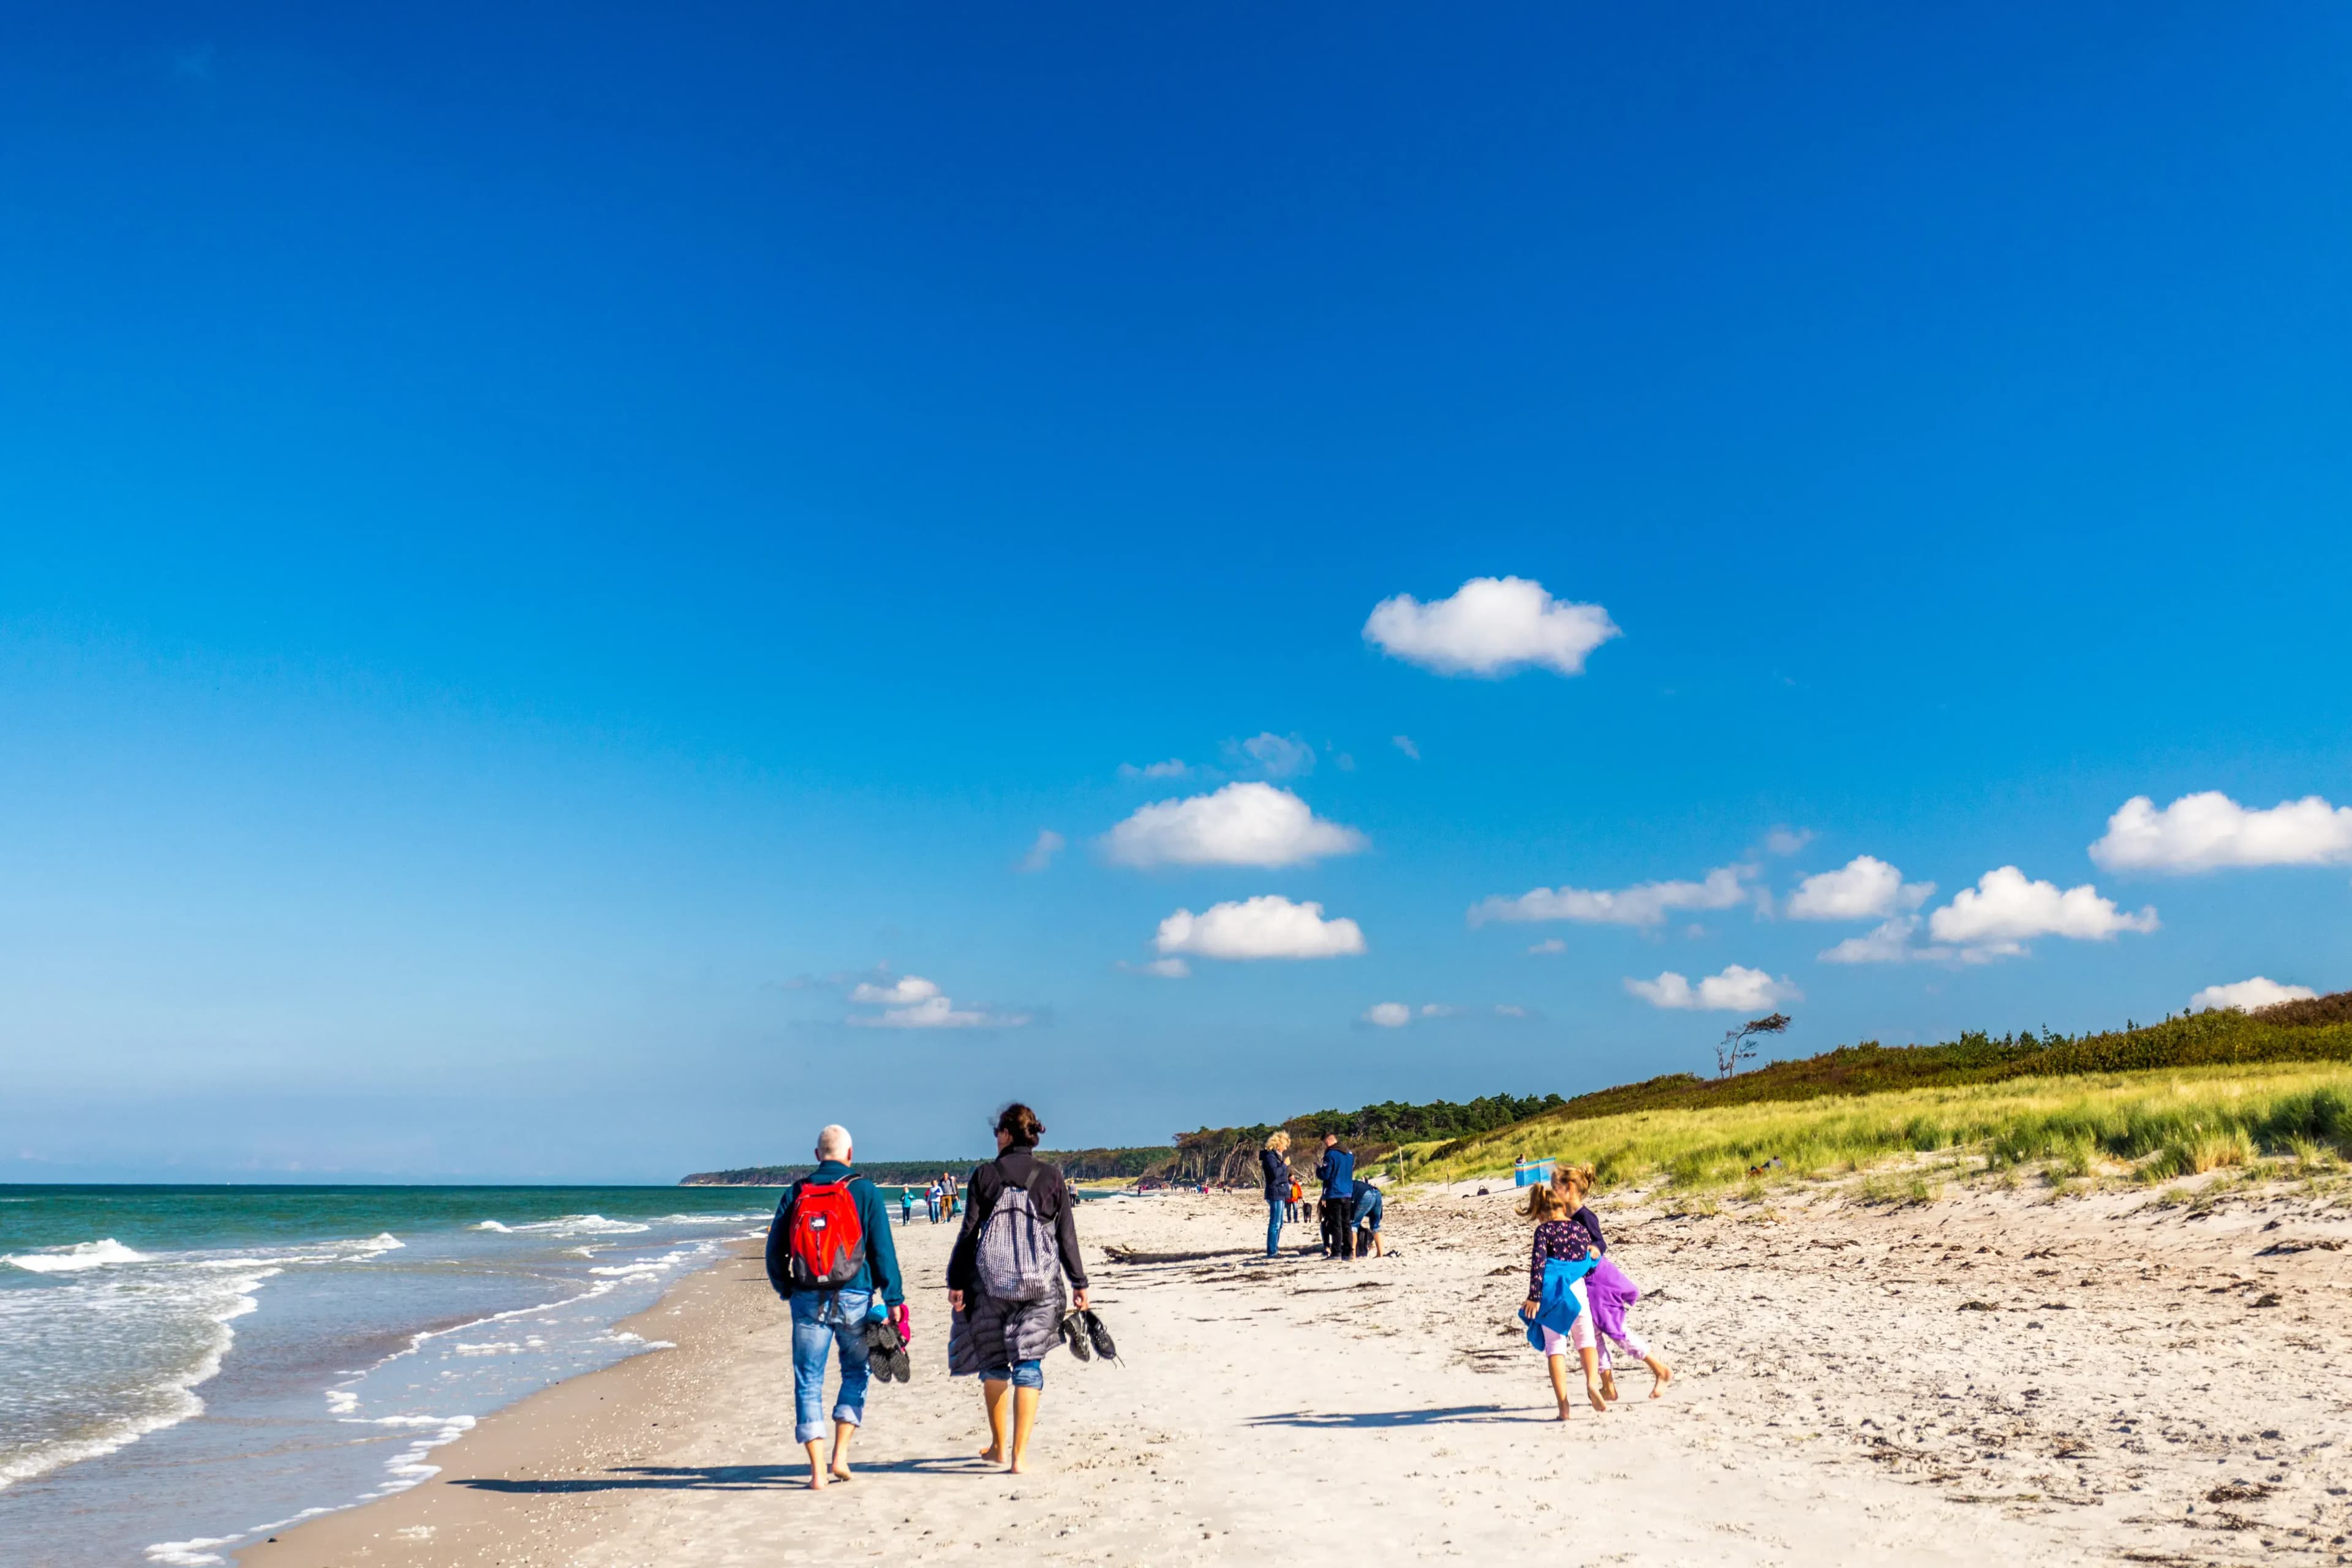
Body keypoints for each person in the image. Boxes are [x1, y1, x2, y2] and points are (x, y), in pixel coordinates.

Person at [947, 1102, 1090, 1474]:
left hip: (989, 1286)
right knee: (1029, 1362)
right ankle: (1019, 1457)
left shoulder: (985, 1175)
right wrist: (1079, 1282)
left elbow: (969, 1233)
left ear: (1007, 1135)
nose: (995, 1137)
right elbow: (1067, 1236)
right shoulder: (1052, 1176)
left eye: (998, 1131)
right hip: (1040, 1286)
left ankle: (997, 1447)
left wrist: (957, 1282)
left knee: (994, 1363)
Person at [764, 1123, 907, 1488]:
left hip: (807, 1297)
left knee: (808, 1379)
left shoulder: (797, 1192)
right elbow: (882, 1250)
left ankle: (816, 1472)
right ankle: (840, 1456)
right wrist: (893, 1298)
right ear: (850, 1154)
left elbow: (774, 1250)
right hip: (856, 1296)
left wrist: (785, 1288)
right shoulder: (866, 1191)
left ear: (817, 1155)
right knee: (856, 1373)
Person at [1555, 1164, 1672, 1401]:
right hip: (1582, 1284)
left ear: (1569, 1188)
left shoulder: (1585, 1216)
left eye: (1555, 1187)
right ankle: (1608, 1387)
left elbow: (1600, 1241)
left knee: (1616, 1331)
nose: (1552, 1192)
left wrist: (1594, 1249)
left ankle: (1660, 1370)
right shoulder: (1565, 1217)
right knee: (1592, 1335)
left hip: (1598, 1282)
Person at [1518, 1182, 1606, 1419]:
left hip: (1553, 1294)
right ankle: (1592, 1384)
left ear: (1542, 1213)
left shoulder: (1544, 1231)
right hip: (1578, 1292)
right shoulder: (1580, 1230)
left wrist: (1534, 1297)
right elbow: (1588, 1265)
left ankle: (1564, 1408)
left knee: (1556, 1348)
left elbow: (1539, 1265)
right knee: (1586, 1342)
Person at [1314, 1133, 1355, 1260]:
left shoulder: (1330, 1154)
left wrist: (1318, 1170)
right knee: (1346, 1223)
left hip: (1334, 1192)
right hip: (1348, 1192)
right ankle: (1348, 1252)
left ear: (1327, 1142)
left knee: (1336, 1224)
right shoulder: (1349, 1154)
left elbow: (1326, 1175)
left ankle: (1337, 1252)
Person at [1259, 1130, 1291, 1259]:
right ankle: (1272, 1251)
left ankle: (1275, 1249)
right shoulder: (1270, 1157)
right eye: (1285, 1145)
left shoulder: (1276, 1157)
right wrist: (1285, 1165)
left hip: (1280, 1192)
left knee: (1280, 1224)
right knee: (1275, 1223)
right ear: (1279, 1144)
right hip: (1275, 1192)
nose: (1286, 1148)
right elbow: (1274, 1174)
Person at [1351, 1175, 1385, 1258]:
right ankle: (1380, 1254)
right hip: (1377, 1193)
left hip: (1365, 1195)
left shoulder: (1343, 1187)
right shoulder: (1355, 1183)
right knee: (1376, 1226)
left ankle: (1352, 1255)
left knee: (1353, 1225)